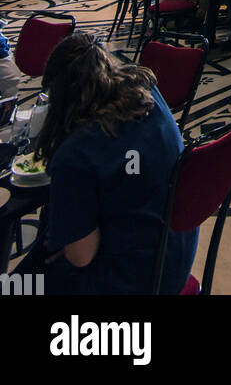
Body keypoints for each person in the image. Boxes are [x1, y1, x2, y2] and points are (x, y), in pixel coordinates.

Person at [29, 32, 197, 295]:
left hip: (133, 280)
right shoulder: (149, 95)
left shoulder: (76, 153)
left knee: (26, 279)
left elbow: (81, 257)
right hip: (175, 253)